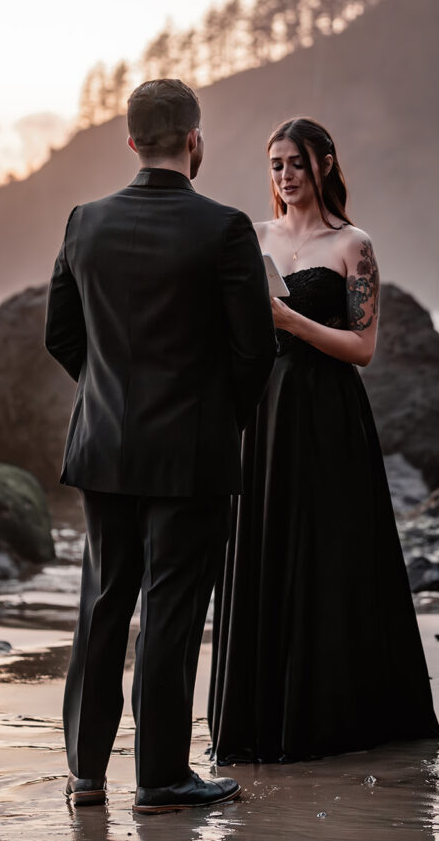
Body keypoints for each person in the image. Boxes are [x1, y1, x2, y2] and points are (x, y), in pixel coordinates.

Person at [45, 79, 276, 812]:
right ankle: (160, 779)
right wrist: (216, 418)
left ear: (132, 142)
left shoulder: (85, 221)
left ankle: (85, 776)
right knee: (170, 612)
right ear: (194, 140)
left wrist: (112, 393)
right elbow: (253, 351)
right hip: (191, 452)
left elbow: (60, 334)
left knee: (103, 605)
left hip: (104, 446)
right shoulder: (225, 227)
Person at [209, 116, 439, 763]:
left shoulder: (352, 245)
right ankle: (258, 723)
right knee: (263, 551)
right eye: (276, 164)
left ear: (325, 166)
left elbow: (362, 348)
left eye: (297, 164)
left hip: (327, 412)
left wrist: (285, 318)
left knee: (331, 555)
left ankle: (335, 721)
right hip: (262, 412)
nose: (285, 176)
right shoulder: (250, 239)